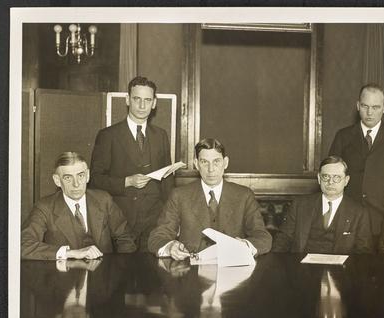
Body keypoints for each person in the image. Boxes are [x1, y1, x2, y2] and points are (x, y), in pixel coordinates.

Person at [148, 138, 272, 260]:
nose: (211, 169)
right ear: (196, 164)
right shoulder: (179, 195)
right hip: (190, 273)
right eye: (204, 162)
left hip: (232, 272)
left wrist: (244, 246)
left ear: (226, 163)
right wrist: (170, 247)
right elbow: (157, 237)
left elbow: (263, 237)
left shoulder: (244, 195)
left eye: (216, 161)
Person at [90, 76, 174, 250]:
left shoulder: (161, 135)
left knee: (153, 273)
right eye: (137, 99)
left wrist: (170, 218)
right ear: (128, 100)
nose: (142, 106)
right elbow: (95, 180)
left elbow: (167, 181)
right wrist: (127, 182)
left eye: (147, 100)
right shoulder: (108, 136)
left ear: (154, 103)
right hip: (120, 221)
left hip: (154, 221)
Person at [328, 83, 384, 240]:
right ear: (358, 106)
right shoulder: (343, 136)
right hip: (350, 216)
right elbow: (331, 175)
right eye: (365, 106)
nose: (369, 112)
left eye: (375, 107)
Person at [22, 152, 136, 260]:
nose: (76, 184)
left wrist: (122, 269)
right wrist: (70, 253)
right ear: (57, 180)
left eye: (80, 176)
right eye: (68, 178)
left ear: (87, 176)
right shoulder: (44, 207)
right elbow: (23, 245)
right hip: (64, 277)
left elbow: (126, 238)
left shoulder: (103, 200)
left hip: (103, 276)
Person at [272, 156, 372, 254]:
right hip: (301, 267)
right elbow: (283, 240)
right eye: (326, 176)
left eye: (336, 177)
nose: (330, 182)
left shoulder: (359, 212)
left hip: (340, 269)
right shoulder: (300, 205)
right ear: (319, 179)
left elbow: (363, 252)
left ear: (346, 180)